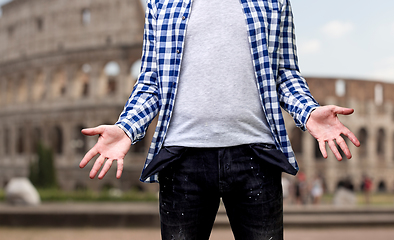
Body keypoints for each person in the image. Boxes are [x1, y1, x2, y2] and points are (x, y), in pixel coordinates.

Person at [79, 0, 360, 239]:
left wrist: (308, 111)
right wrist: (127, 127)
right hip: (182, 159)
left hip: (256, 156)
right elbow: (152, 81)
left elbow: (285, 72)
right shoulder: (161, 2)